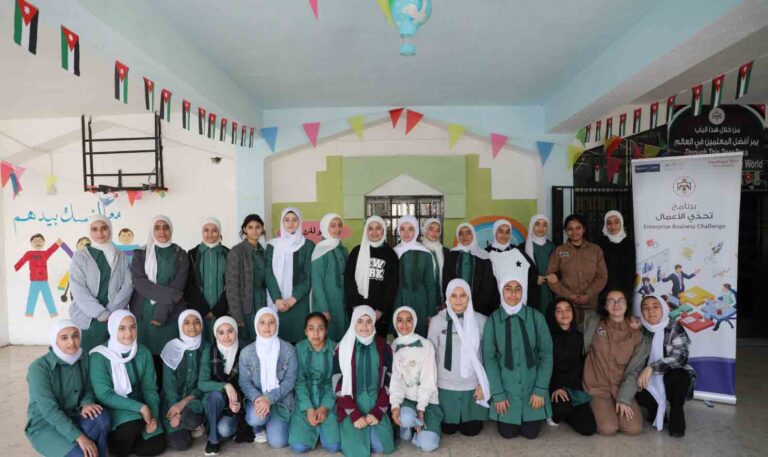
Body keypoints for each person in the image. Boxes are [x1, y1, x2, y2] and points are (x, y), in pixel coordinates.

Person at [26, 320, 111, 457]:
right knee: (80, 454)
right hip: (45, 423)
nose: (71, 342)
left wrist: (87, 402)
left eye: (75, 336)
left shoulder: (84, 358)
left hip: (74, 414)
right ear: (55, 340)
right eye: (64, 338)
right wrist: (80, 437)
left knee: (101, 418)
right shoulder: (39, 368)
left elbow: (89, 387)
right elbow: (49, 410)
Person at [483, 275, 553, 440]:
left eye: (518, 289)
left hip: (532, 390)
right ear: (501, 291)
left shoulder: (536, 317)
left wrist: (540, 390)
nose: (513, 294)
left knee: (531, 433)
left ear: (524, 291)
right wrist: (498, 394)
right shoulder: (493, 320)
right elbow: (489, 359)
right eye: (508, 289)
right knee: (508, 433)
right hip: (507, 392)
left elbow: (546, 354)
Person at [89, 310, 166, 457]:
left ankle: (128, 442)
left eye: (132, 327)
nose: (129, 333)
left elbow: (150, 389)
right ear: (112, 329)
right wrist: (141, 408)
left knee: (156, 445)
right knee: (132, 426)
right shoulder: (99, 356)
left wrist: (152, 417)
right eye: (122, 328)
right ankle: (116, 442)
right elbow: (104, 395)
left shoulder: (143, 352)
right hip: (114, 407)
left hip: (140, 407)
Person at [129, 215, 190, 381]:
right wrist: (171, 295)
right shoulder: (140, 254)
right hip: (144, 314)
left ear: (171, 229)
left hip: (170, 315)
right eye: (157, 227)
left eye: (166, 227)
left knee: (168, 358)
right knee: (145, 359)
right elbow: (140, 284)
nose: (162, 231)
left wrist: (161, 314)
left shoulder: (180, 254)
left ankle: (168, 394)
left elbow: (178, 286)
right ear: (151, 230)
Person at [582, 289, 650, 436]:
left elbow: (635, 370)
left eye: (620, 300)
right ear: (605, 306)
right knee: (608, 428)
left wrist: (624, 399)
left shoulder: (637, 333)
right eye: (611, 301)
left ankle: (619, 404)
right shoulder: (593, 324)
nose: (616, 304)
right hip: (597, 388)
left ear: (627, 305)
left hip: (621, 387)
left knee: (633, 429)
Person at [427, 279, 490, 437]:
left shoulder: (481, 321)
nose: (458, 300)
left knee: (471, 431)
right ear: (447, 298)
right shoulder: (437, 321)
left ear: (469, 297)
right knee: (448, 429)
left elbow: (488, 356)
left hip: (472, 386)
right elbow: (431, 356)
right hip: (445, 385)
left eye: (463, 295)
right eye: (454, 296)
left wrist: (483, 385)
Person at [334, 306, 395, 457]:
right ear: (353, 323)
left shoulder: (384, 346)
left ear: (374, 323)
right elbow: (337, 383)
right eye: (360, 321)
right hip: (351, 403)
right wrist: (354, 414)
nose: (364, 326)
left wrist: (378, 411)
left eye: (369, 321)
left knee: (381, 446)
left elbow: (390, 381)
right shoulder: (342, 347)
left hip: (377, 401)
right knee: (356, 451)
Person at [634, 295, 696, 438]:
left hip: (671, 374)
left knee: (678, 377)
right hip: (647, 377)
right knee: (632, 381)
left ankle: (677, 414)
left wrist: (651, 368)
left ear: (663, 308)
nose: (651, 311)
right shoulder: (639, 329)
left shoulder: (674, 326)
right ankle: (655, 410)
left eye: (655, 307)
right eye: (646, 308)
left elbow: (680, 358)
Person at [70, 215, 134, 353]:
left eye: (104, 228)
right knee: (89, 357)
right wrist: (100, 312)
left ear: (110, 229)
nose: (99, 233)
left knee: (114, 356)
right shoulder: (81, 256)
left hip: (115, 316)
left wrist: (112, 311)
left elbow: (128, 285)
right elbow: (78, 288)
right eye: (94, 229)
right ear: (89, 231)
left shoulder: (121, 256)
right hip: (88, 318)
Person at [239, 308, 298, 448]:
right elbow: (244, 381)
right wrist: (259, 398)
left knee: (278, 442)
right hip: (258, 399)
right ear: (256, 325)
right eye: (262, 322)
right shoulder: (246, 352)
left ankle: (272, 421)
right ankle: (258, 428)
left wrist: (269, 399)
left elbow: (290, 380)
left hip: (280, 401)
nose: (267, 327)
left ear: (277, 324)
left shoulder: (288, 350)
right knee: (255, 419)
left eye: (271, 322)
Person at [390, 306, 442, 452]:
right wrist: (395, 405)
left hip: (427, 401)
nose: (404, 325)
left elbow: (428, 380)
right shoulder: (394, 346)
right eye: (400, 320)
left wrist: (421, 409)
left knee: (428, 445)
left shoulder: (426, 345)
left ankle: (416, 431)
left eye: (408, 320)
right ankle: (409, 424)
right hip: (407, 400)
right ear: (395, 323)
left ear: (414, 322)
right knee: (406, 417)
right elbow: (396, 379)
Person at [288, 313, 341, 454]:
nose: (316, 333)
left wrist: (324, 407)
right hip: (305, 399)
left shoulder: (336, 349)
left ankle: (321, 431)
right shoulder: (299, 348)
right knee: (298, 447)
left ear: (326, 331)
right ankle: (312, 431)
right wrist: (309, 409)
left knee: (333, 446)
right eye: (311, 329)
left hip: (328, 397)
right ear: (305, 331)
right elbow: (299, 382)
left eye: (320, 328)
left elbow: (336, 382)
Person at [199, 316, 252, 456]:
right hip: (214, 401)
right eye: (221, 333)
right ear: (215, 334)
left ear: (236, 332)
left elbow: (249, 381)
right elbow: (202, 383)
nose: (226, 336)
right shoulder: (209, 351)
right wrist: (226, 386)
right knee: (216, 395)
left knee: (225, 429)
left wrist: (238, 401)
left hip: (236, 403)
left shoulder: (245, 350)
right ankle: (213, 440)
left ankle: (224, 425)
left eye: (230, 331)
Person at [546, 298, 596, 436]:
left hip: (575, 387)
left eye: (568, 309)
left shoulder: (580, 337)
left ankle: (568, 413)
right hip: (554, 386)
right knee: (561, 409)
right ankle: (555, 412)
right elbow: (545, 366)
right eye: (559, 311)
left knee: (588, 428)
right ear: (553, 314)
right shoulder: (547, 337)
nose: (564, 314)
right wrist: (556, 387)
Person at [545, 214, 608, 324]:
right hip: (566, 304)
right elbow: (550, 277)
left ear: (584, 229)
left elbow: (602, 276)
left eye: (578, 228)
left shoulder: (596, 250)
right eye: (570, 229)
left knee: (589, 332)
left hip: (590, 303)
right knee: (568, 332)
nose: (574, 232)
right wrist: (568, 295)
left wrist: (588, 294)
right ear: (566, 231)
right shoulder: (560, 251)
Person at [266, 207, 315, 343]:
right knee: (278, 341)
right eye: (286, 220)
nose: (291, 223)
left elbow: (309, 277)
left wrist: (294, 298)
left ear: (300, 222)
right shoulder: (272, 246)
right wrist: (277, 299)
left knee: (300, 339)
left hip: (299, 302)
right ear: (282, 222)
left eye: (294, 220)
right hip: (277, 303)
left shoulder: (308, 245)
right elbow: (268, 274)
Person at [160, 310, 207, 451]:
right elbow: (169, 385)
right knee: (180, 444)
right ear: (180, 325)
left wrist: (183, 403)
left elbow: (203, 382)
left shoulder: (206, 347)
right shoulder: (171, 347)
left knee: (191, 419)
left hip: (195, 399)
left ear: (201, 324)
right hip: (172, 400)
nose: (192, 326)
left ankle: (191, 423)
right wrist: (176, 411)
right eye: (186, 322)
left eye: (196, 322)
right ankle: (185, 426)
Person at [345, 216, 399, 337]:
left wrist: (380, 310)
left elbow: (392, 285)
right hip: (357, 309)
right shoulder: (356, 252)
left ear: (383, 230)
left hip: (380, 313)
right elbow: (349, 280)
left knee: (378, 344)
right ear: (366, 231)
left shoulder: (390, 254)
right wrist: (355, 306)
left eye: (378, 228)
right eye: (370, 228)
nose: (374, 232)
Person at [393, 216, 439, 336]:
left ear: (416, 231)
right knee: (400, 335)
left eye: (410, 229)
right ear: (398, 231)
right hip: (398, 301)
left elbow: (430, 284)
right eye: (403, 229)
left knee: (419, 335)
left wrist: (431, 312)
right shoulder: (393, 253)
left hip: (420, 302)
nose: (406, 233)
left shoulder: (425, 253)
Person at [186, 218, 230, 343]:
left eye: (214, 230)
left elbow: (232, 284)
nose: (210, 234)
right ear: (202, 232)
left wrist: (217, 310)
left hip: (222, 309)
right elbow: (189, 284)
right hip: (199, 309)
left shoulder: (228, 254)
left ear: (219, 232)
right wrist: (204, 310)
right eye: (206, 230)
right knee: (201, 343)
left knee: (221, 342)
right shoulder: (192, 254)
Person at [226, 214, 267, 345]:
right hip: (246, 307)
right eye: (250, 227)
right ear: (244, 229)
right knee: (246, 344)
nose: (254, 231)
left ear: (262, 228)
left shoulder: (264, 252)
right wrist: (237, 315)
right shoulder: (237, 251)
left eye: (257, 227)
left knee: (263, 341)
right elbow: (231, 286)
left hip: (263, 303)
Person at [443, 223, 498, 315]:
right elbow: (447, 281)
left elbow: (487, 284)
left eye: (468, 233)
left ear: (473, 235)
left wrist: (479, 305)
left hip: (480, 307)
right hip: (456, 305)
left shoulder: (483, 256)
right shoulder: (451, 255)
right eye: (461, 233)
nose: (465, 236)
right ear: (458, 236)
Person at [486, 219, 541, 311]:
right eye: (501, 231)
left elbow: (532, 273)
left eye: (507, 232)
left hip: (520, 301)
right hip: (495, 304)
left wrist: (535, 278)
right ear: (494, 232)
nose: (504, 235)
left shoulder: (518, 251)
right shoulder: (486, 254)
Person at [311, 213, 349, 342]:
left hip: (342, 304)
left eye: (339, 225)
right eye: (333, 226)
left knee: (343, 341)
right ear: (325, 227)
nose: (337, 229)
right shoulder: (320, 250)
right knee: (327, 340)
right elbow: (317, 282)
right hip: (327, 304)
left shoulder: (343, 249)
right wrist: (324, 309)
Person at [15, 233, 63, 317]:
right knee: (32, 297)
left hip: (44, 280)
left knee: (48, 296)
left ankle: (53, 312)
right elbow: (22, 260)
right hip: (34, 280)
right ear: (31, 243)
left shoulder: (45, 253)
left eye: (40, 240)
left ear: (44, 242)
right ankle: (29, 312)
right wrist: (16, 267)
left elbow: (51, 250)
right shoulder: (29, 253)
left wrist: (57, 244)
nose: (37, 242)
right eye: (35, 241)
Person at [597, 211, 635, 297]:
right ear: (605, 225)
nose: (613, 227)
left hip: (626, 290)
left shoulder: (630, 244)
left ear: (621, 223)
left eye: (616, 222)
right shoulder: (599, 244)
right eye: (609, 223)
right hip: (604, 290)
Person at [523, 214, 556, 314]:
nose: (541, 228)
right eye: (537, 224)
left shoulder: (552, 247)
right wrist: (533, 279)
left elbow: (560, 267)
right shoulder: (522, 248)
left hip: (549, 289)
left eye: (544, 225)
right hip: (532, 290)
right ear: (531, 226)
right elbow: (518, 271)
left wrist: (555, 275)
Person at [420, 218, 449, 304]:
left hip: (443, 299)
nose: (434, 233)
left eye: (437, 230)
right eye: (431, 229)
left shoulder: (446, 252)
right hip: (424, 299)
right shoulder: (418, 250)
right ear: (425, 230)